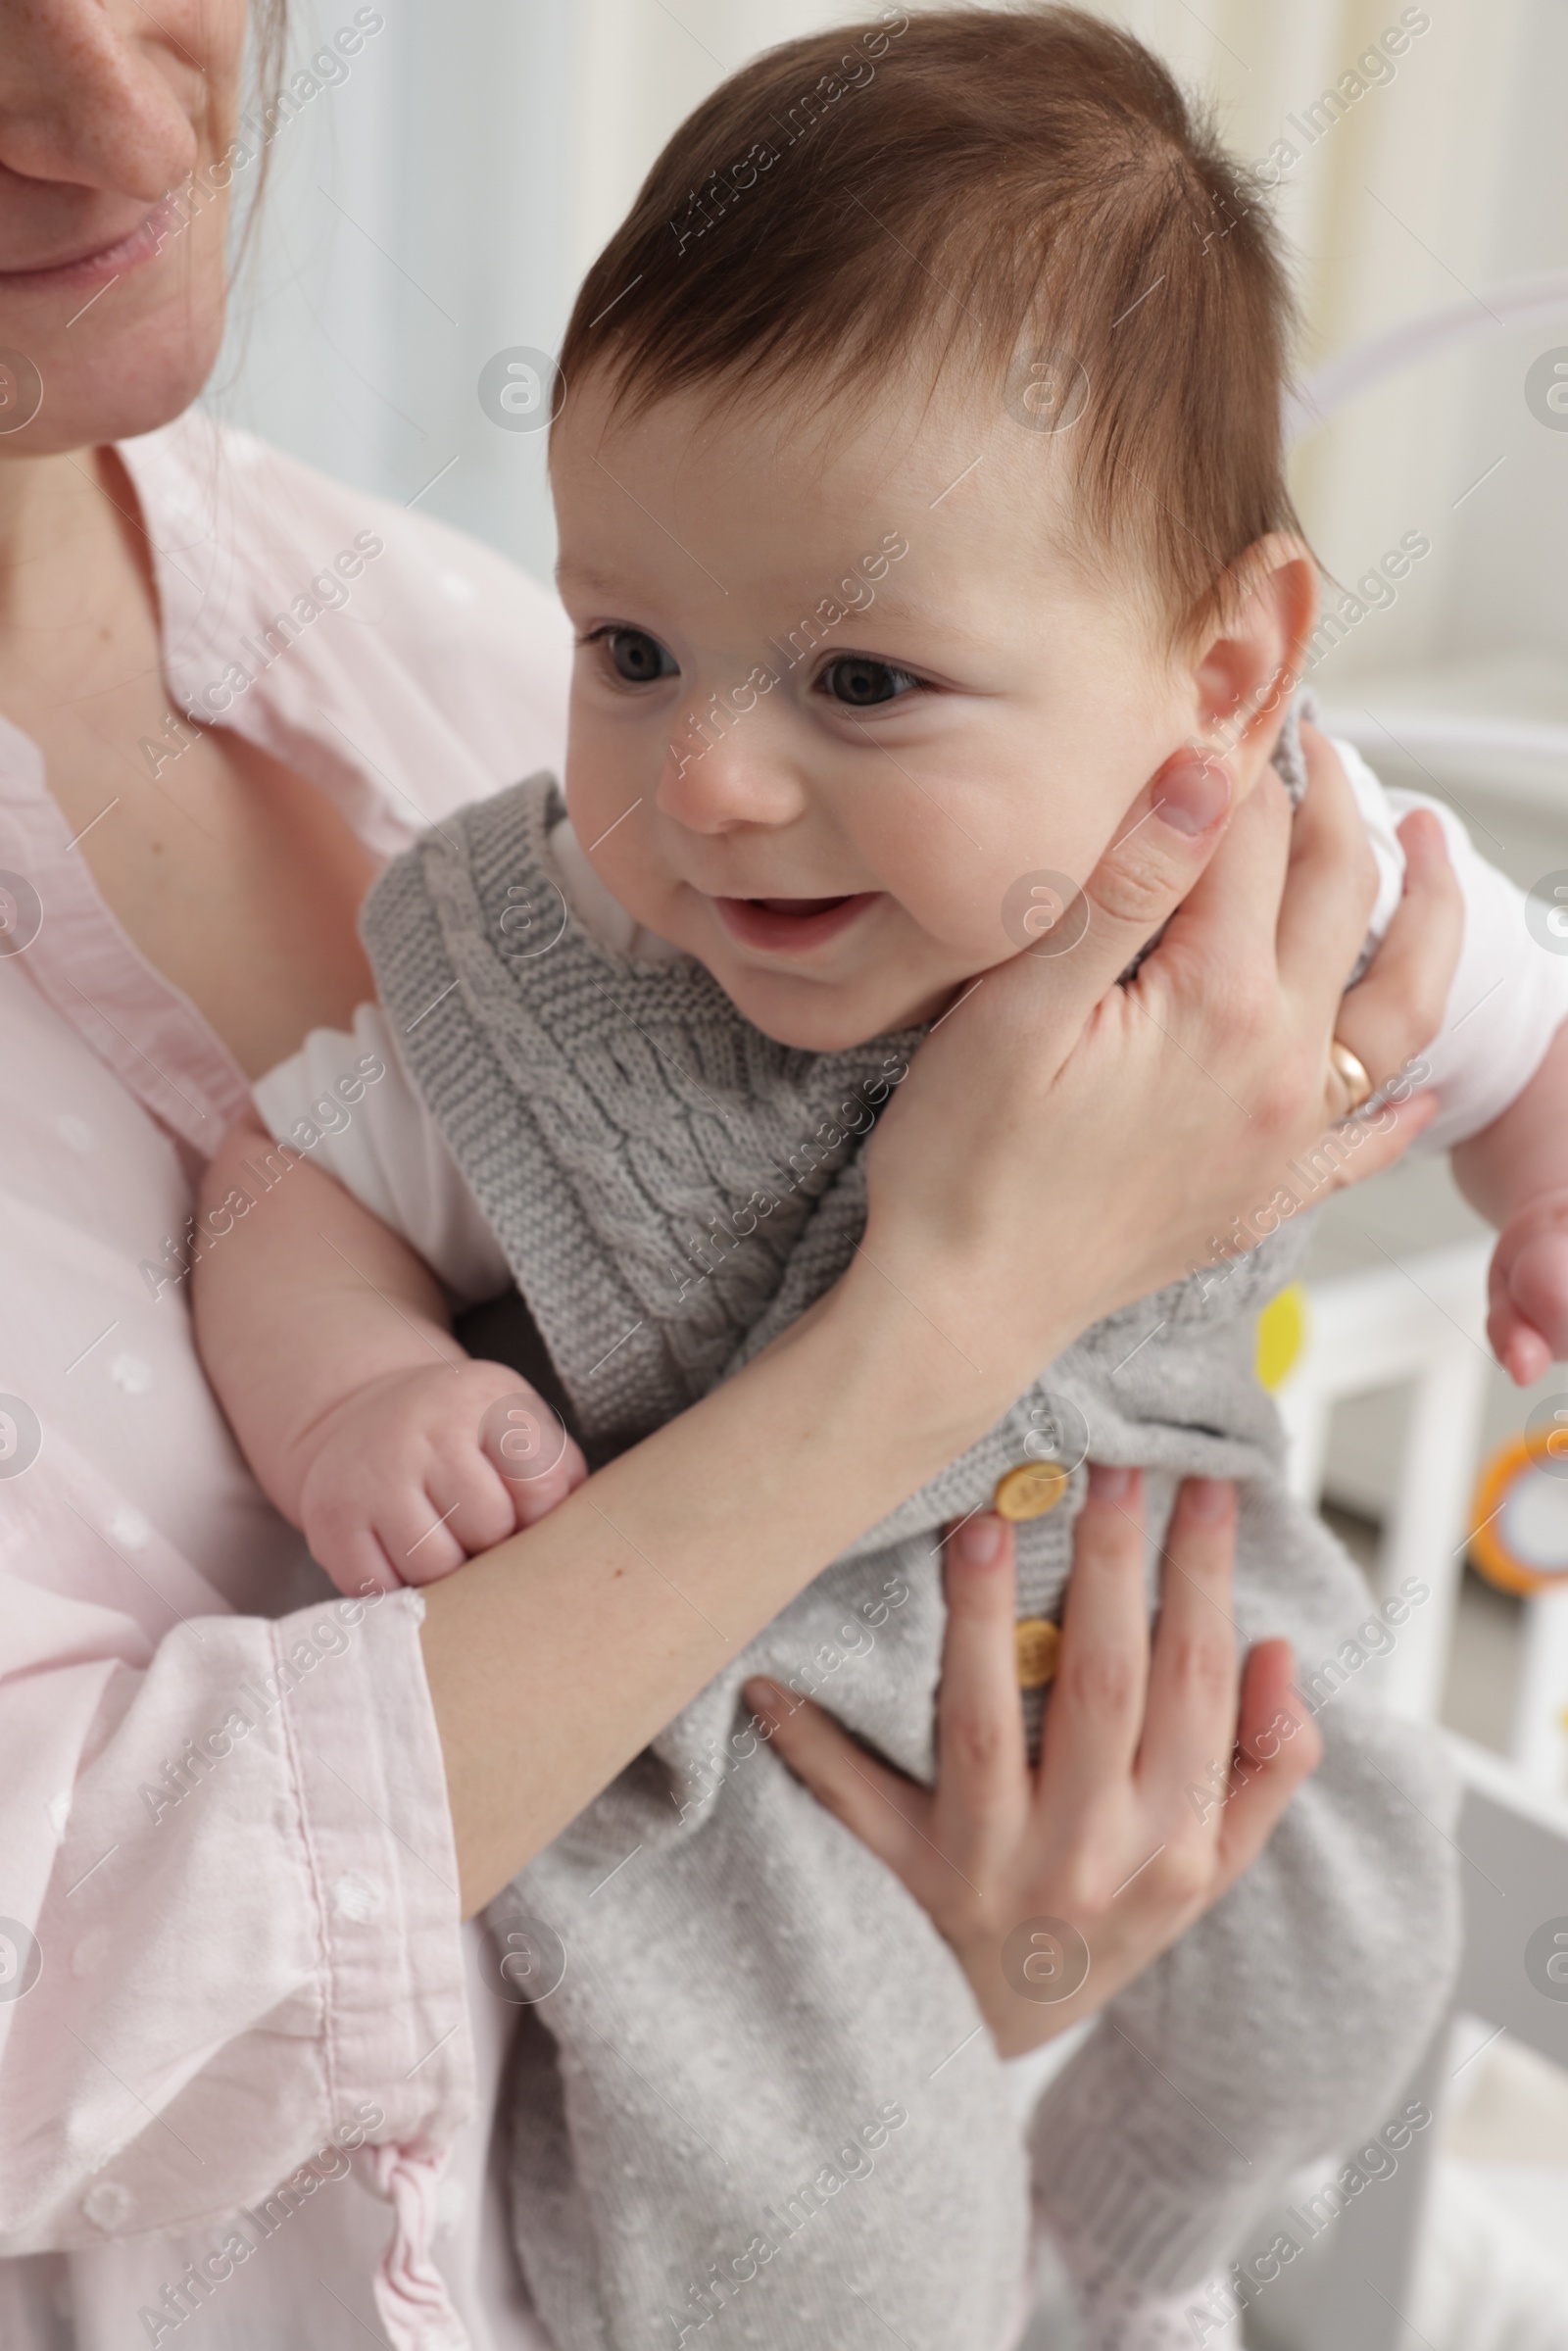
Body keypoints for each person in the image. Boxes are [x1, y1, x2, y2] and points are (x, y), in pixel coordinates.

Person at [0, 4, 1464, 2349]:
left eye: (861, 686)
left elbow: (1487, 994)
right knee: (827, 2233)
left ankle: (1130, 2240)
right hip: (747, 1780)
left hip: (1144, 1599)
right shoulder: (556, 955)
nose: (706, 790)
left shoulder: (1252, 843)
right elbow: (290, 1185)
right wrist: (367, 1392)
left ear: (1222, 668)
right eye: (631, 653)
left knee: (1365, 1938)